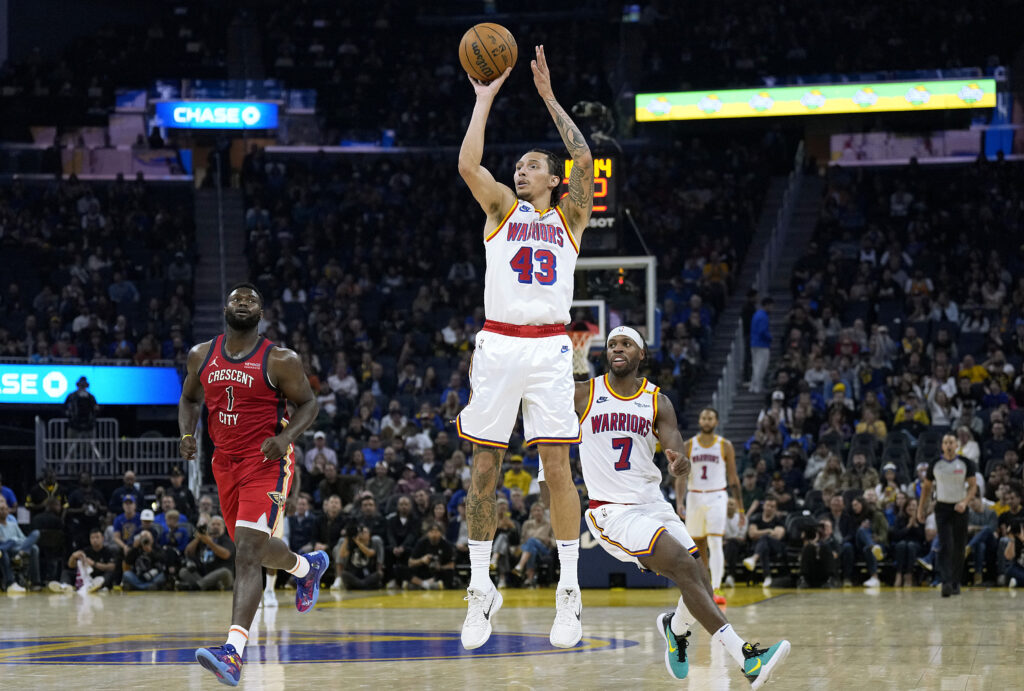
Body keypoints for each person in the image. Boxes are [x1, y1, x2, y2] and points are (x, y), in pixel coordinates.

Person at [455, 45, 594, 651]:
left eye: (532, 164)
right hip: (498, 344)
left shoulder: (570, 218)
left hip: (548, 350)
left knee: (558, 470)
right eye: (518, 164)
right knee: (483, 468)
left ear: (552, 178)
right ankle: (480, 586)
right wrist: (484, 99)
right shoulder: (500, 211)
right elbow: (467, 165)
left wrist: (548, 98)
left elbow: (585, 155)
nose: (520, 169)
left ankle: (569, 591)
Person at [577, 327, 789, 685]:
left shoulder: (657, 400)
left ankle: (675, 629)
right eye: (612, 343)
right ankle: (747, 658)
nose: (617, 348)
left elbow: (675, 444)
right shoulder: (584, 394)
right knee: (680, 564)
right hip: (611, 510)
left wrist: (681, 463)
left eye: (626, 344)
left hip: (652, 502)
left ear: (640, 354)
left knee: (700, 575)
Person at [179, 283, 328, 685]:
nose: (244, 302)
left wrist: (285, 439)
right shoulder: (200, 355)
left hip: (266, 461)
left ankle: (232, 652)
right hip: (223, 464)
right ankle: (306, 567)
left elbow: (310, 403)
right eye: (236, 298)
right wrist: (187, 433)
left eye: (252, 300)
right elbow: (190, 399)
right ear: (224, 308)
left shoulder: (280, 359)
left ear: (261, 313)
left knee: (245, 551)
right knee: (254, 549)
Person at [680, 407, 743, 604]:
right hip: (695, 496)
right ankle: (702, 587)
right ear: (699, 421)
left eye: (710, 418)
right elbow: (681, 476)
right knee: (697, 545)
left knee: (715, 542)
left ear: (716, 422)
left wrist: (740, 508)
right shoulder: (689, 445)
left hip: (717, 496)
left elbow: (733, 478)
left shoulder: (725, 445)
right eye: (703, 417)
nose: (706, 421)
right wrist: (679, 501)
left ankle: (716, 589)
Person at [916, 433, 978, 597]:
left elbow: (973, 487)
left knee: (959, 546)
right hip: (942, 507)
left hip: (960, 507)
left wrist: (964, 502)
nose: (949, 445)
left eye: (951, 442)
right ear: (942, 446)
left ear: (956, 445)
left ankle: (956, 581)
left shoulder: (966, 463)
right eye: (945, 442)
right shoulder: (935, 464)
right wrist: (920, 509)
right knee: (945, 544)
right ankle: (946, 582)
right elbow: (926, 489)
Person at [178, 515, 236, 591]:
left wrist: (209, 542)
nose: (215, 526)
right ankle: (205, 585)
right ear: (208, 527)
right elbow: (188, 553)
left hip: (222, 578)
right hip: (205, 576)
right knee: (183, 571)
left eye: (218, 524)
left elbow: (226, 555)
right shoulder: (203, 539)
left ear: (223, 528)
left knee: (225, 572)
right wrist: (197, 538)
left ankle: (197, 586)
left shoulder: (226, 540)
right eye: (213, 524)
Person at [0, 496, 41, 592]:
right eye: (1, 509)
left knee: (36, 533)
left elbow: (23, 538)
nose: (4, 511)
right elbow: (4, 543)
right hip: (9, 549)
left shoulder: (13, 524)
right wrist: (14, 540)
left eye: (5, 509)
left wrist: (20, 543)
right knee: (34, 548)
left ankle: (35, 583)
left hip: (20, 546)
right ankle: (21, 554)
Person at [64, 376, 99, 459]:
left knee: (86, 449)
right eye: (81, 385)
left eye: (84, 385)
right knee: (71, 449)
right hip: (74, 425)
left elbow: (96, 410)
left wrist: (91, 420)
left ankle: (85, 469)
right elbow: (64, 407)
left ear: (87, 386)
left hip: (88, 427)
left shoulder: (91, 397)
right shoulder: (72, 396)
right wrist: (69, 416)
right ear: (77, 385)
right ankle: (71, 469)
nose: (82, 387)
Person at [749, 298, 773, 394]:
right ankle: (757, 386)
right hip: (762, 344)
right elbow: (762, 331)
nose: (772, 308)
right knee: (761, 366)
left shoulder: (756, 314)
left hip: (754, 343)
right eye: (771, 306)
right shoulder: (763, 316)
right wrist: (770, 338)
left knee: (756, 365)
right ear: (767, 305)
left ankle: (753, 386)